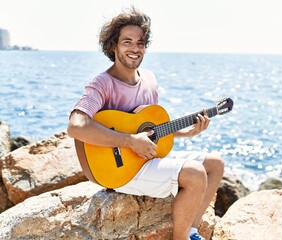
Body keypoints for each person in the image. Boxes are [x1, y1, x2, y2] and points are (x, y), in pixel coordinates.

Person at [67, 7, 224, 240]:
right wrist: (130, 141)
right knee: (194, 172)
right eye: (127, 41)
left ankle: (192, 230)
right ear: (113, 46)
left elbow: (151, 132)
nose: (135, 48)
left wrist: (186, 133)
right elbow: (76, 126)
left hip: (145, 160)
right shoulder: (102, 83)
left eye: (140, 43)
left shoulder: (149, 79)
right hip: (119, 171)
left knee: (215, 164)